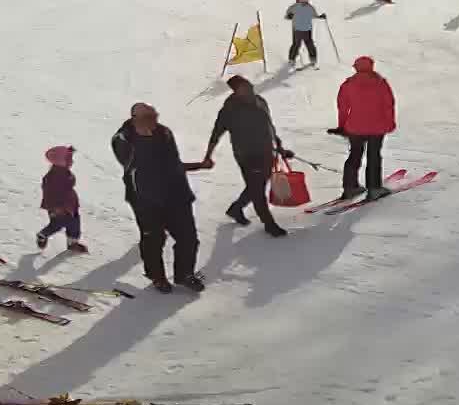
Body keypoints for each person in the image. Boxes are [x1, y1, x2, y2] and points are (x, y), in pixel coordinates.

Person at [111, 102, 212, 292]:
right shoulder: (122, 139)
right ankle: (156, 276)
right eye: (149, 117)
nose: (155, 120)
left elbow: (173, 163)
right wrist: (143, 140)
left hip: (177, 195)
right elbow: (133, 165)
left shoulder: (164, 132)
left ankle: (184, 274)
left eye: (155, 115)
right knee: (153, 239)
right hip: (145, 200)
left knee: (188, 238)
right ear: (135, 119)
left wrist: (198, 165)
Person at [202, 75, 289, 237]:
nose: (249, 88)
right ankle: (269, 224)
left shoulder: (260, 101)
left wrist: (279, 147)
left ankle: (236, 208)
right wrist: (208, 156)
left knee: (258, 184)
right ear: (236, 92)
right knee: (257, 190)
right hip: (247, 155)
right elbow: (216, 133)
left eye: (248, 85)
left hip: (266, 151)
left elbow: (269, 126)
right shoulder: (230, 109)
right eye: (244, 87)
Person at [335, 56, 397, 201]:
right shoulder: (380, 83)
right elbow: (389, 105)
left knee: (354, 155)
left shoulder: (348, 84)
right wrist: (390, 123)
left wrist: (342, 125)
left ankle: (350, 188)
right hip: (377, 127)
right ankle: (374, 189)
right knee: (373, 156)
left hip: (355, 127)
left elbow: (342, 107)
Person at [36, 145, 88, 252]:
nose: (72, 162)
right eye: (69, 159)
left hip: (70, 205)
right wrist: (55, 207)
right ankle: (43, 234)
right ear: (61, 161)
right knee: (57, 225)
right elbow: (49, 193)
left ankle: (72, 243)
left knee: (74, 224)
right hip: (59, 207)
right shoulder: (53, 177)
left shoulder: (63, 172)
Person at [284, 0, 322, 66]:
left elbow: (314, 15)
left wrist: (320, 16)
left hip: (303, 29)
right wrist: (289, 15)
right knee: (302, 44)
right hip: (302, 29)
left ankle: (311, 59)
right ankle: (294, 59)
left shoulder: (305, 7)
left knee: (303, 45)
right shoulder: (299, 7)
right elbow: (287, 14)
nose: (304, 1)